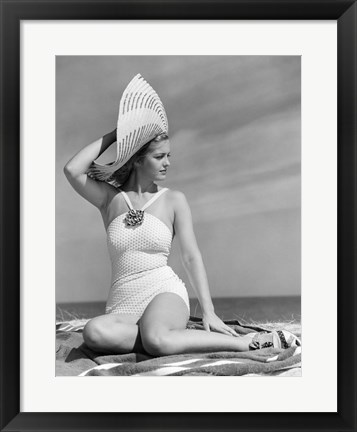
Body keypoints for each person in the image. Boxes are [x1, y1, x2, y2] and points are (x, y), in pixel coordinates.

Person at [64, 74, 300, 356]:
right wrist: (120, 133)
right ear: (138, 159)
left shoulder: (174, 200)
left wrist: (209, 312)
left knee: (156, 339)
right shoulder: (110, 199)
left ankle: (242, 344)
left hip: (164, 294)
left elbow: (191, 256)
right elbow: (72, 170)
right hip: (122, 305)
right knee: (94, 332)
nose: (168, 162)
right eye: (159, 156)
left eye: (169, 155)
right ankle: (169, 337)